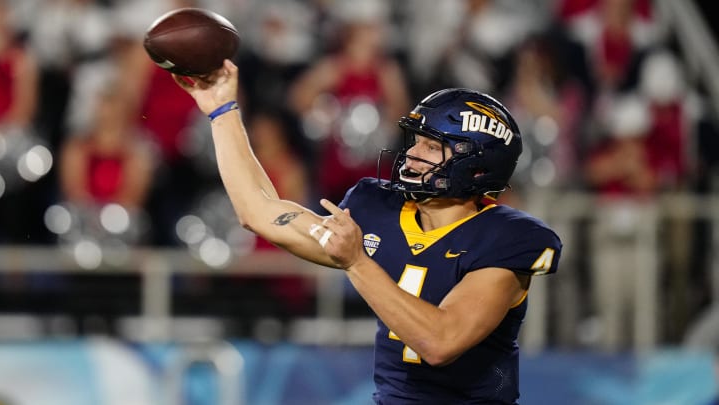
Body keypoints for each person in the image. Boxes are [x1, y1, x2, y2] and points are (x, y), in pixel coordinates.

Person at [173, 59, 562, 404]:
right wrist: (220, 108)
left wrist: (357, 262)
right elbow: (258, 212)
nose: (411, 153)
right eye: (415, 141)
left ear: (476, 165)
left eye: (432, 146)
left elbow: (440, 342)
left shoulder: (507, 238)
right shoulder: (377, 208)